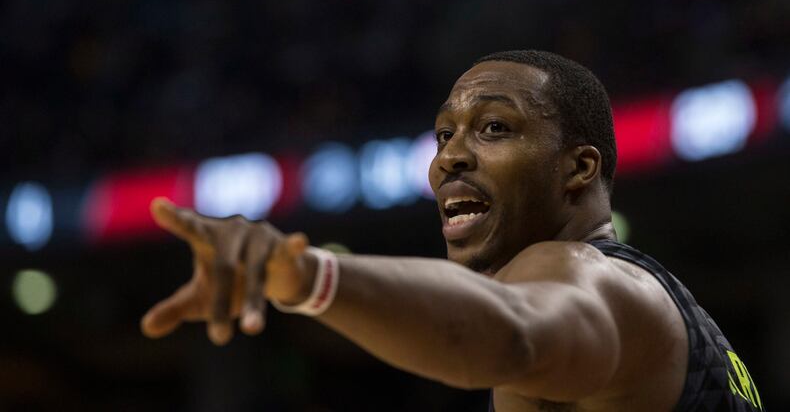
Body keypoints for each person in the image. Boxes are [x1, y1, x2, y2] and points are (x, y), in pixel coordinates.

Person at [140, 50, 763, 411]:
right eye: (444, 135)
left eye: (494, 128)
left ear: (578, 169)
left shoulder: (586, 274)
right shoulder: (683, 319)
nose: (448, 159)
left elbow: (512, 334)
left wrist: (306, 276)